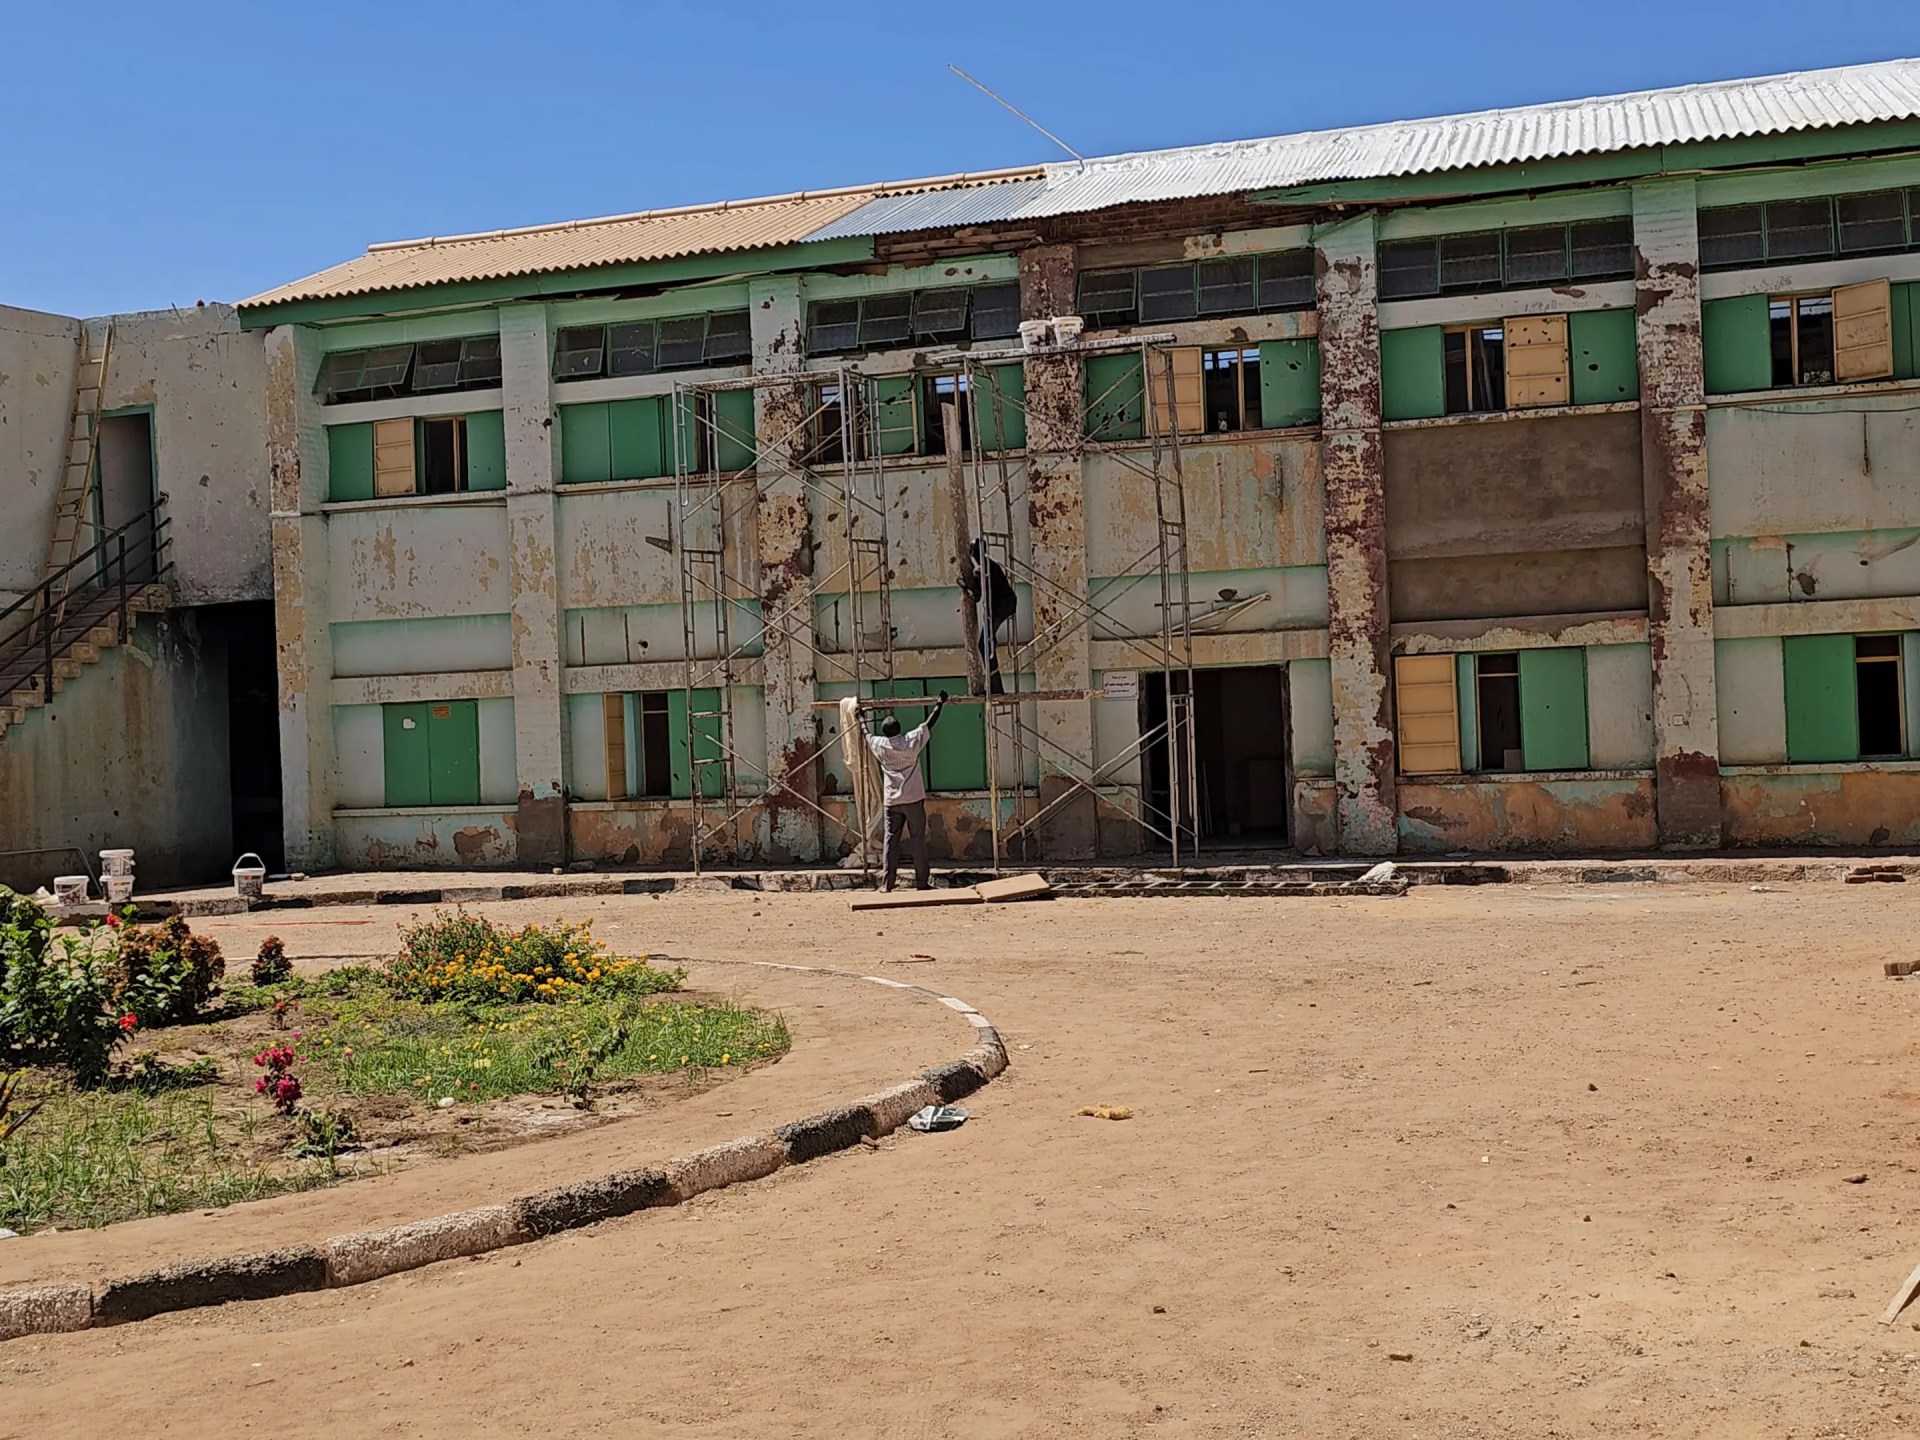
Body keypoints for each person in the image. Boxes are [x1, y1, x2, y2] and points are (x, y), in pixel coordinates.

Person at [866, 691, 948, 891]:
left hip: (891, 801)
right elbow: (929, 723)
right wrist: (939, 703)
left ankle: (887, 884)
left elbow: (865, 734)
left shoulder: (880, 745)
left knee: (890, 841)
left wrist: (859, 717)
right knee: (918, 840)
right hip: (913, 798)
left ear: (885, 731)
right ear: (899, 728)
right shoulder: (910, 742)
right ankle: (921, 882)